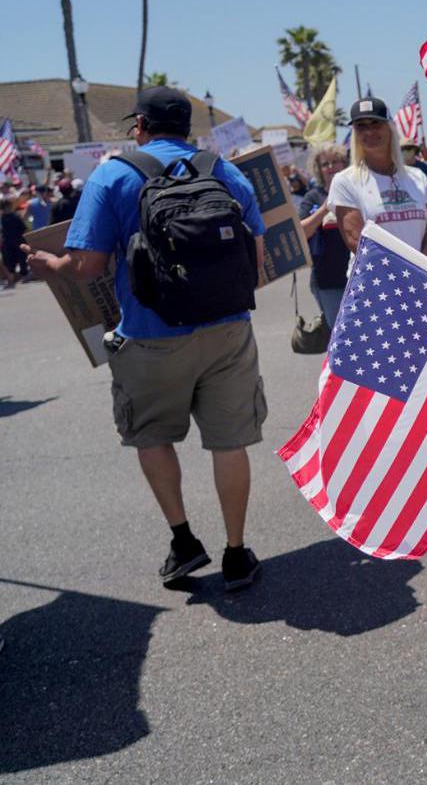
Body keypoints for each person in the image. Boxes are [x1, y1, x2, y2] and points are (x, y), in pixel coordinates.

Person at [22, 87, 266, 588]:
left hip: (150, 333)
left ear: (141, 126)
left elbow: (86, 264)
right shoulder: (226, 171)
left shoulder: (114, 174)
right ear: (187, 126)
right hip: (228, 330)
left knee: (152, 436)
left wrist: (51, 265)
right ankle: (237, 553)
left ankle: (183, 542)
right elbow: (256, 261)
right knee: (229, 444)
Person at [326, 97, 427, 260]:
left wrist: (419, 275)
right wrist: (403, 274)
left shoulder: (418, 177)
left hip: (418, 281)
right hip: (376, 280)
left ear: (390, 128)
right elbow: (356, 241)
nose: (369, 132)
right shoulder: (344, 181)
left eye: (375, 123)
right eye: (361, 126)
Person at [297, 146, 351, 328]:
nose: (331, 167)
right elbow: (301, 232)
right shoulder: (313, 197)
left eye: (335, 162)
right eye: (325, 164)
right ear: (319, 169)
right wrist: (324, 209)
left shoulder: (356, 191)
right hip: (328, 281)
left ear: (344, 164)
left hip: (360, 277)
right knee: (340, 336)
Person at [1, 198, 27, 283]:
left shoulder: (2, 219)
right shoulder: (16, 217)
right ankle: (23, 274)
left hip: (7, 241)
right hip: (18, 240)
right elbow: (23, 227)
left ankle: (12, 275)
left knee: (9, 259)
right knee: (21, 258)